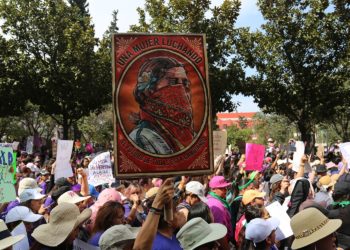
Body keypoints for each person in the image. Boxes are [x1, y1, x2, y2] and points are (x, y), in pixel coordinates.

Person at [129, 57, 194, 155]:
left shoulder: (191, 136)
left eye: (185, 83)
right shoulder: (141, 137)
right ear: (149, 89)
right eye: (172, 81)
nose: (181, 88)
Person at [206, 176, 232, 248]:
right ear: (213, 189)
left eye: (226, 188)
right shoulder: (216, 205)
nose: (225, 190)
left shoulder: (210, 199)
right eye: (222, 188)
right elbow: (220, 232)